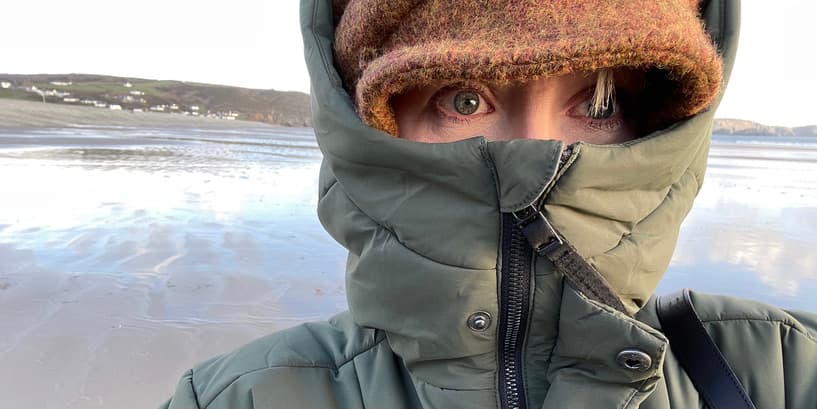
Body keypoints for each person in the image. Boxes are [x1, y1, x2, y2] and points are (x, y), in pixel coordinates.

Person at [162, 0, 817, 408]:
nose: (534, 154)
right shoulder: (240, 397)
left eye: (597, 103)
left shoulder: (784, 372)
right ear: (371, 129)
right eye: (463, 99)